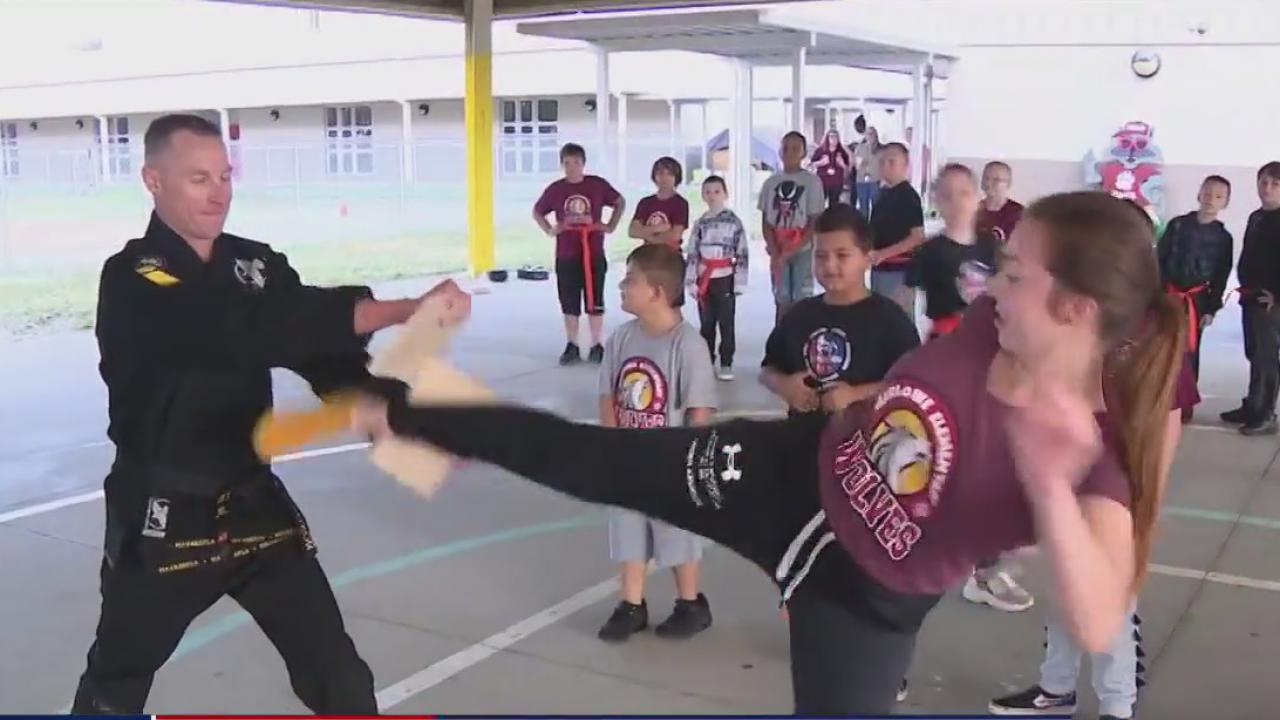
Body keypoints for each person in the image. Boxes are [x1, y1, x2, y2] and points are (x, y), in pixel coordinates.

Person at [352, 191, 1187, 714]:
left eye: (1013, 275)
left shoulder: (1095, 450)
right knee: (585, 457)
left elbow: (1098, 617)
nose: (989, 286)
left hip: (866, 603)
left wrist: (1045, 479)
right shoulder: (983, 326)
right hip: (785, 476)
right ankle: (416, 415)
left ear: (1077, 310)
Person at [73, 113, 434, 714]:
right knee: (117, 680)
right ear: (153, 181)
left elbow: (309, 342)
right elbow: (242, 331)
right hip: (166, 517)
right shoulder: (135, 278)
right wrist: (396, 309)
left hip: (254, 507)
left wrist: (364, 395)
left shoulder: (255, 264)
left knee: (339, 675)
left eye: (223, 175)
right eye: (197, 178)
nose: (218, 192)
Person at [990, 354, 1201, 720]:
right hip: (1068, 475)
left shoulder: (1151, 334)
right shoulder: (1070, 320)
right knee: (1065, 582)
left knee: (1113, 598)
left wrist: (1145, 500)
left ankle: (1117, 705)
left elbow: (1169, 417)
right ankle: (1057, 687)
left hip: (1116, 488)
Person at [596, 244, 718, 643]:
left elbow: (699, 410)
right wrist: (614, 446)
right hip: (629, 458)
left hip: (670, 461)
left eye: (630, 280)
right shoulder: (621, 339)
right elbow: (608, 395)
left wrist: (689, 461)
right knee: (629, 528)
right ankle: (631, 604)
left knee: (676, 532)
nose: (621, 285)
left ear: (657, 293)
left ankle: (690, 603)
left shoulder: (688, 345)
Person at [761, 204, 919, 419]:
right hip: (802, 443)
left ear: (868, 259)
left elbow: (913, 384)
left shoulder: (891, 320)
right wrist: (785, 386)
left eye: (842, 256)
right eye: (821, 256)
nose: (830, 266)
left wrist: (857, 394)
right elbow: (768, 369)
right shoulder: (799, 315)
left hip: (866, 444)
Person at [534, 142, 626, 366]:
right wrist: (550, 229)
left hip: (592, 252)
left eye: (576, 162)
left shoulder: (596, 185)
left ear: (583, 164)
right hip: (566, 254)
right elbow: (538, 211)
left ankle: (597, 344)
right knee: (569, 301)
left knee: (594, 300)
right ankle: (572, 344)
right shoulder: (556, 189)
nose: (572, 167)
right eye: (567, 163)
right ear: (562, 165)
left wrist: (609, 225)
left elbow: (619, 201)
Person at [1157, 175, 1233, 401]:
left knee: (1189, 350)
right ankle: (1160, 397)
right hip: (1168, 294)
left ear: (1226, 202)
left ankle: (1184, 400)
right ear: (1199, 194)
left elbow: (1221, 275)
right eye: (1208, 193)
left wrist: (1211, 308)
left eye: (1219, 196)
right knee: (1162, 346)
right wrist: (1156, 294)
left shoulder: (1223, 238)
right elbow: (1159, 259)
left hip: (1196, 301)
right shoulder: (1177, 226)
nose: (1211, 199)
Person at [1220, 162, 1280, 435]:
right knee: (1253, 353)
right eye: (1263, 182)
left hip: (1271, 302)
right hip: (1250, 297)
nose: (1267, 189)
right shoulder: (1257, 216)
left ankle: (1265, 412)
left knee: (1266, 358)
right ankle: (1252, 404)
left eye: (1275, 184)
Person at [686, 175, 749, 381]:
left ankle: (726, 362)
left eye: (717, 192)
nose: (712, 196)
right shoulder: (700, 223)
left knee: (726, 322)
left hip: (725, 277)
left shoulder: (734, 222)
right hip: (705, 278)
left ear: (725, 194)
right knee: (706, 323)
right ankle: (706, 360)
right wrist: (692, 281)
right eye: (708, 192)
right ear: (703, 195)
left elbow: (742, 253)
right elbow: (693, 253)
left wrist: (739, 281)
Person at [760, 131, 826, 323]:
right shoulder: (771, 183)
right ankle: (781, 339)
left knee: (801, 298)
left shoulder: (812, 182)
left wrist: (794, 248)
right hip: (777, 247)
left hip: (802, 248)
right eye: (786, 147)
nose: (789, 152)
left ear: (804, 152)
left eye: (795, 148)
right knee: (781, 297)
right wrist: (774, 250)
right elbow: (765, 220)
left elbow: (815, 220)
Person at [868, 142, 926, 317]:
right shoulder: (882, 193)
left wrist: (884, 254)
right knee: (880, 317)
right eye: (882, 161)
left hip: (899, 272)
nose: (886, 166)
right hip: (879, 268)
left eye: (892, 162)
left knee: (898, 320)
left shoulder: (909, 197)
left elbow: (917, 237)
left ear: (905, 165)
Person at [629, 156, 690, 249]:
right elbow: (633, 231)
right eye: (660, 173)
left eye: (669, 174)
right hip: (647, 254)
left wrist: (646, 234)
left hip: (670, 255)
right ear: (654, 176)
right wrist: (658, 228)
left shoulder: (681, 203)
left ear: (676, 177)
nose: (664, 178)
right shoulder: (645, 202)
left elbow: (674, 236)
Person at [977, 161, 1025, 243]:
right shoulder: (971, 211)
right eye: (986, 178)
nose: (988, 183)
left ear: (1008, 184)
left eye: (996, 180)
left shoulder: (1020, 214)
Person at [811, 129, 852, 209]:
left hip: (836, 183)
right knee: (819, 204)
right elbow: (811, 165)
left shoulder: (842, 152)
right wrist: (821, 163)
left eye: (836, 137)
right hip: (823, 182)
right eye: (831, 137)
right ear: (827, 138)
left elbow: (848, 169)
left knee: (834, 206)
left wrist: (842, 164)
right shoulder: (820, 150)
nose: (833, 139)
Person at [850, 122, 882, 217]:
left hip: (875, 180)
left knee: (876, 205)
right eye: (868, 134)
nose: (870, 136)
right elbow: (857, 166)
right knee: (863, 206)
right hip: (861, 180)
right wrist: (860, 162)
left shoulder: (881, 149)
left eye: (872, 133)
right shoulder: (860, 148)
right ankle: (864, 228)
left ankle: (875, 226)